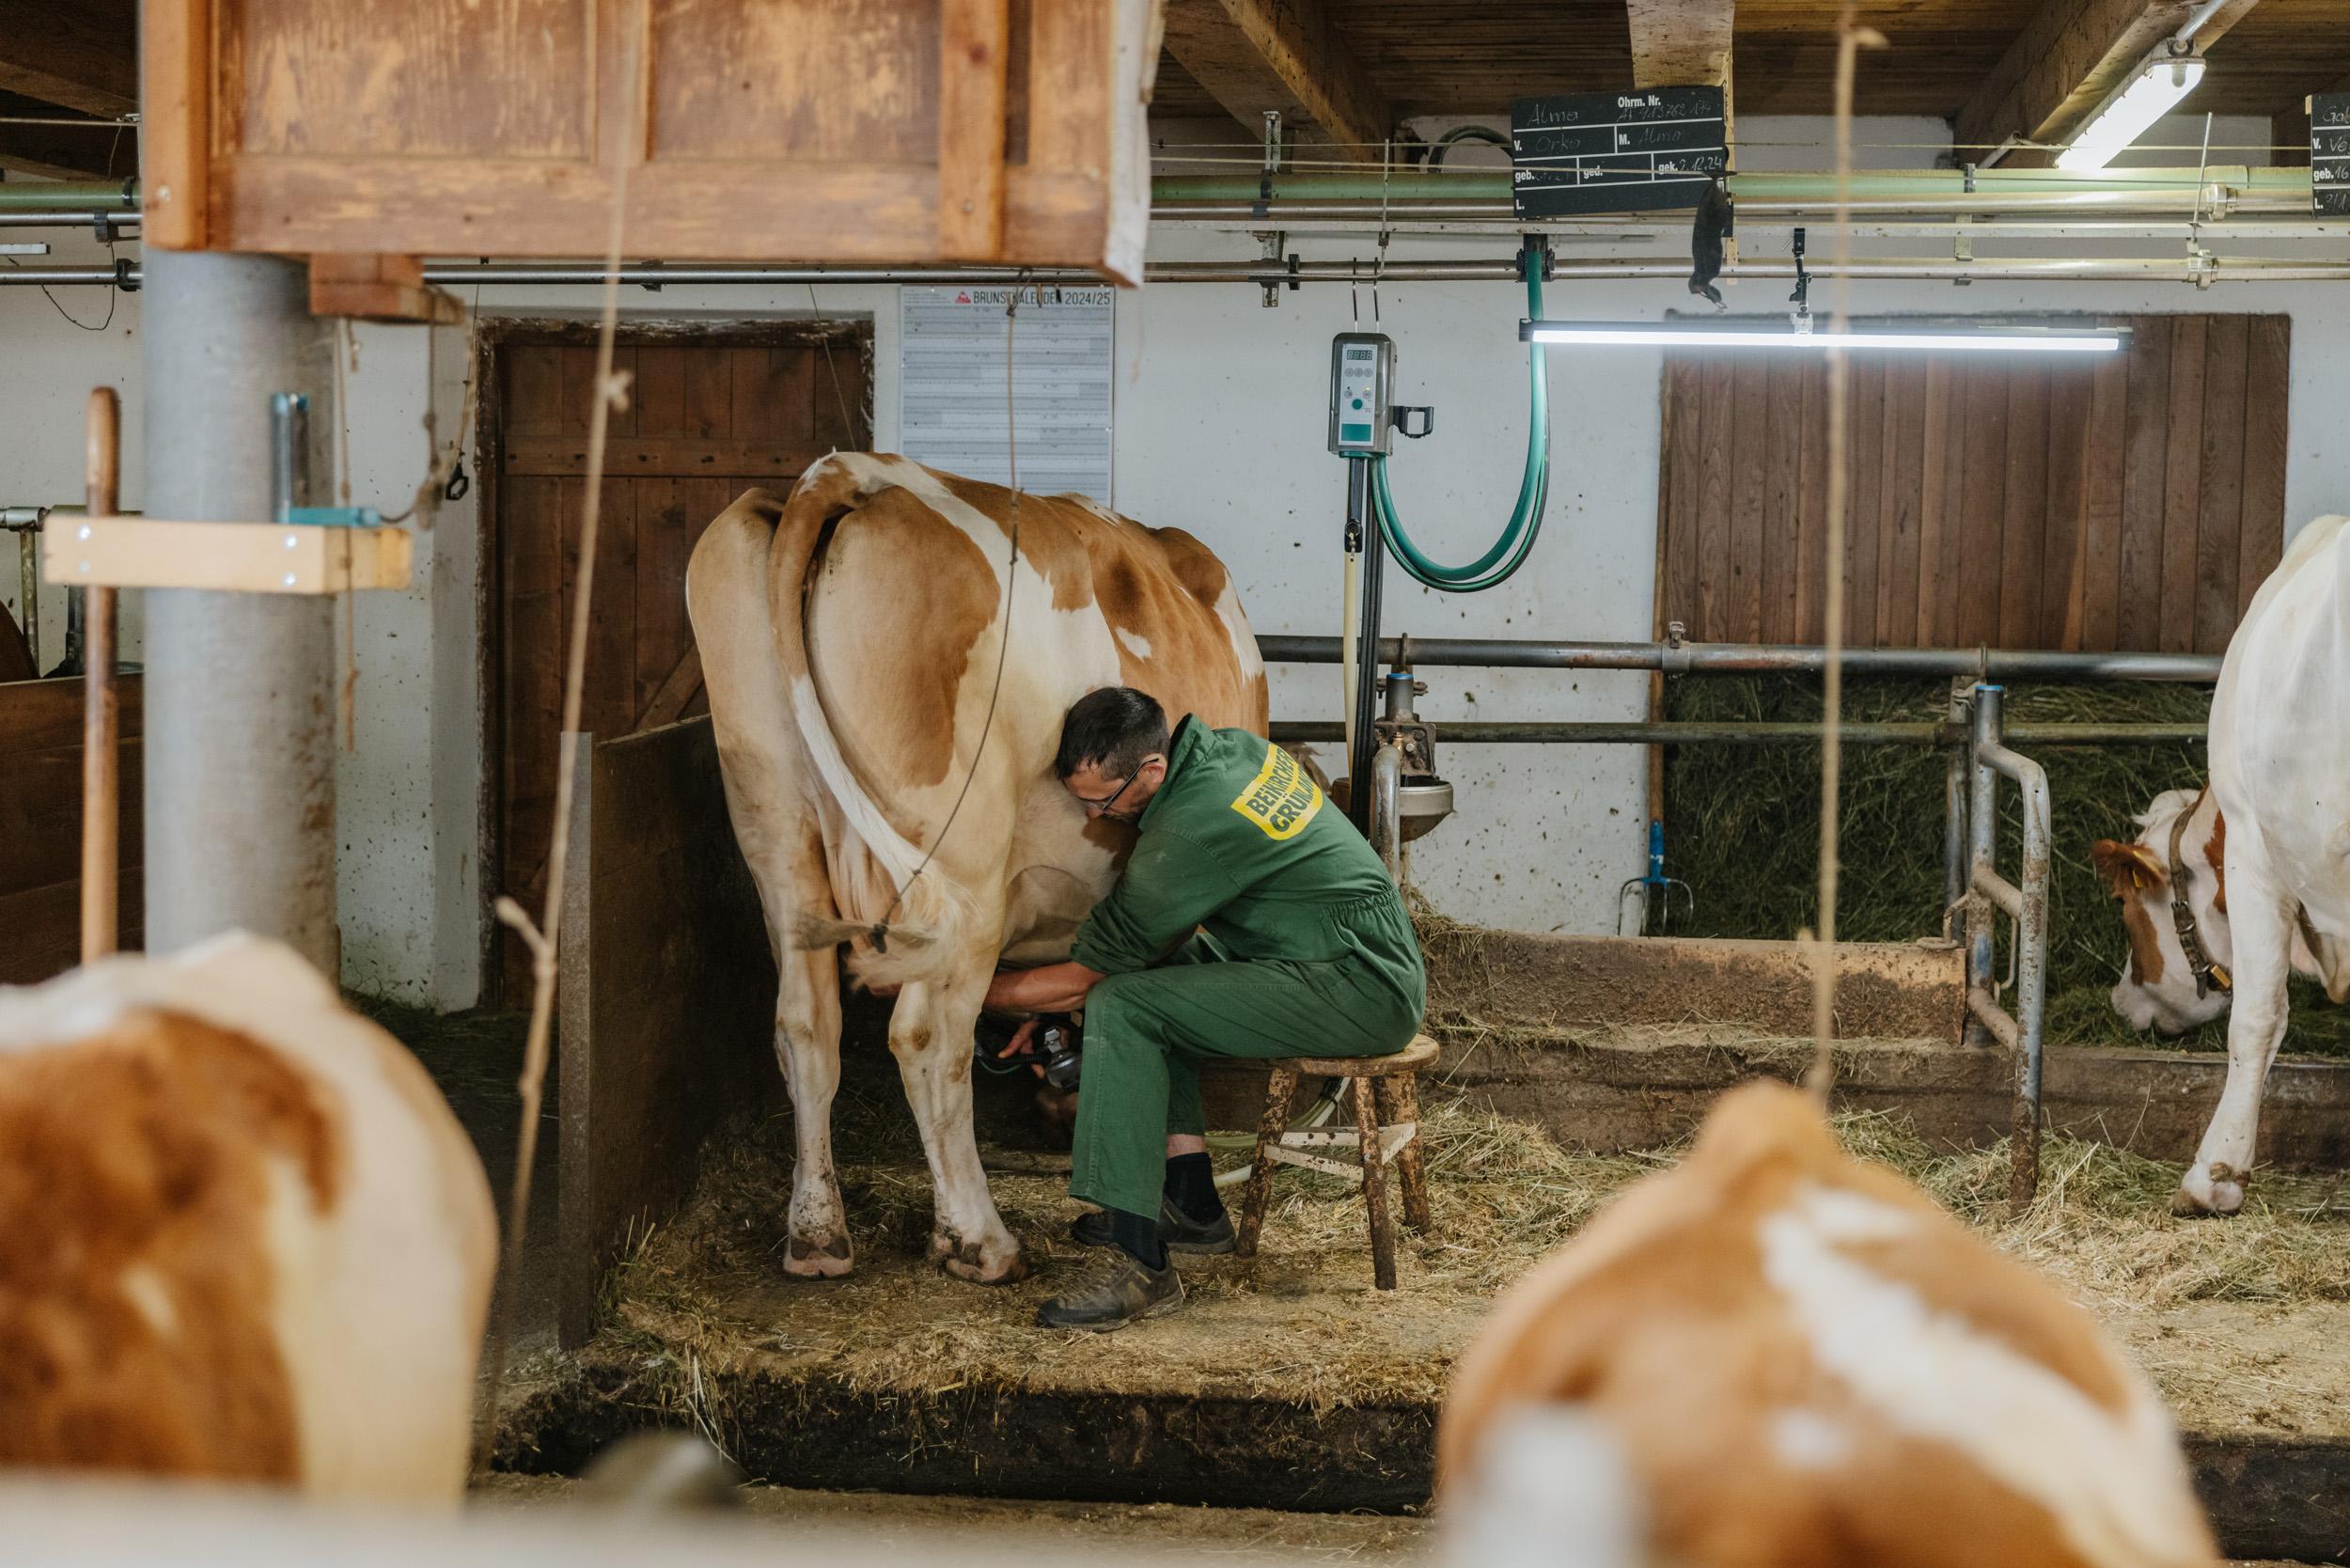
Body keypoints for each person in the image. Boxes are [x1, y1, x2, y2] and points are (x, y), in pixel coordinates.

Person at [986, 686, 1427, 1330]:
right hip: (1326, 951)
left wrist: (965, 993)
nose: (1096, 817)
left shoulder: (1191, 825)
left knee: (1123, 1005)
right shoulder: (1231, 752)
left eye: (1101, 802)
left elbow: (1087, 979)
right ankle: (1193, 1205)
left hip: (1360, 987)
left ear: (1151, 770)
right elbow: (1132, 945)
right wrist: (1041, 1001)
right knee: (1147, 976)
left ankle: (1141, 1264)